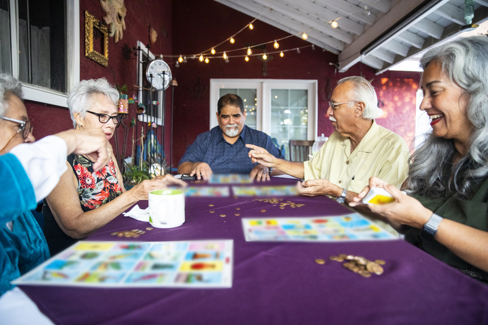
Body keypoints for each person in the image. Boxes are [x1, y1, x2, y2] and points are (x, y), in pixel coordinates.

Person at [351, 36, 488, 282]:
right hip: (412, 276)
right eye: (423, 93)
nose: (423, 104)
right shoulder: (431, 157)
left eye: (434, 92)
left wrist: (426, 220)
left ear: (478, 93)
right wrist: (388, 205)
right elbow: (409, 225)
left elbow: (424, 221)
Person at [43, 78, 186, 256]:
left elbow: (119, 196)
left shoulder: (105, 152)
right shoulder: (59, 161)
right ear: (78, 116)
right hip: (77, 256)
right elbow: (75, 228)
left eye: (114, 117)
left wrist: (152, 184)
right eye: (103, 116)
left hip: (114, 240)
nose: (111, 124)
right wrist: (135, 193)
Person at [0, 73, 110, 296]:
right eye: (22, 126)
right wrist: (72, 140)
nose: (30, 138)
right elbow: (75, 226)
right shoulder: (58, 167)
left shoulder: (20, 211)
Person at [248, 76, 410, 203]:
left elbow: (386, 204)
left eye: (335, 105)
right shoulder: (337, 137)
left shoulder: (393, 147)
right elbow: (310, 169)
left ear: (359, 109)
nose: (329, 112)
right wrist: (272, 162)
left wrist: (338, 192)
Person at [177, 93, 284, 181]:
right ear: (218, 117)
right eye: (225, 117)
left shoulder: (261, 139)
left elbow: (284, 168)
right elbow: (182, 167)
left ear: (244, 115)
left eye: (236, 116)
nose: (231, 122)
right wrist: (196, 165)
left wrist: (268, 168)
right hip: (212, 196)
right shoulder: (204, 139)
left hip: (254, 196)